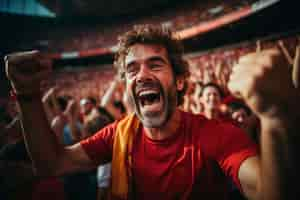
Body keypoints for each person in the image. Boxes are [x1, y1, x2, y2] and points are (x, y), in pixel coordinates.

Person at [5, 25, 300, 200]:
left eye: (155, 65)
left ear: (180, 80)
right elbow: (52, 164)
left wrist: (277, 120)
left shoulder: (215, 136)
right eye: (132, 69)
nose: (141, 75)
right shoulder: (118, 133)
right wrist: (27, 95)